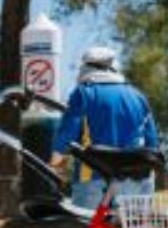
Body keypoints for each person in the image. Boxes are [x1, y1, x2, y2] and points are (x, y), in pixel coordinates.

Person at [50, 46, 159, 209]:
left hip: (94, 180)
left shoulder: (84, 93)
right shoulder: (138, 96)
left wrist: (55, 165)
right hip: (137, 182)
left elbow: (65, 138)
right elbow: (152, 144)